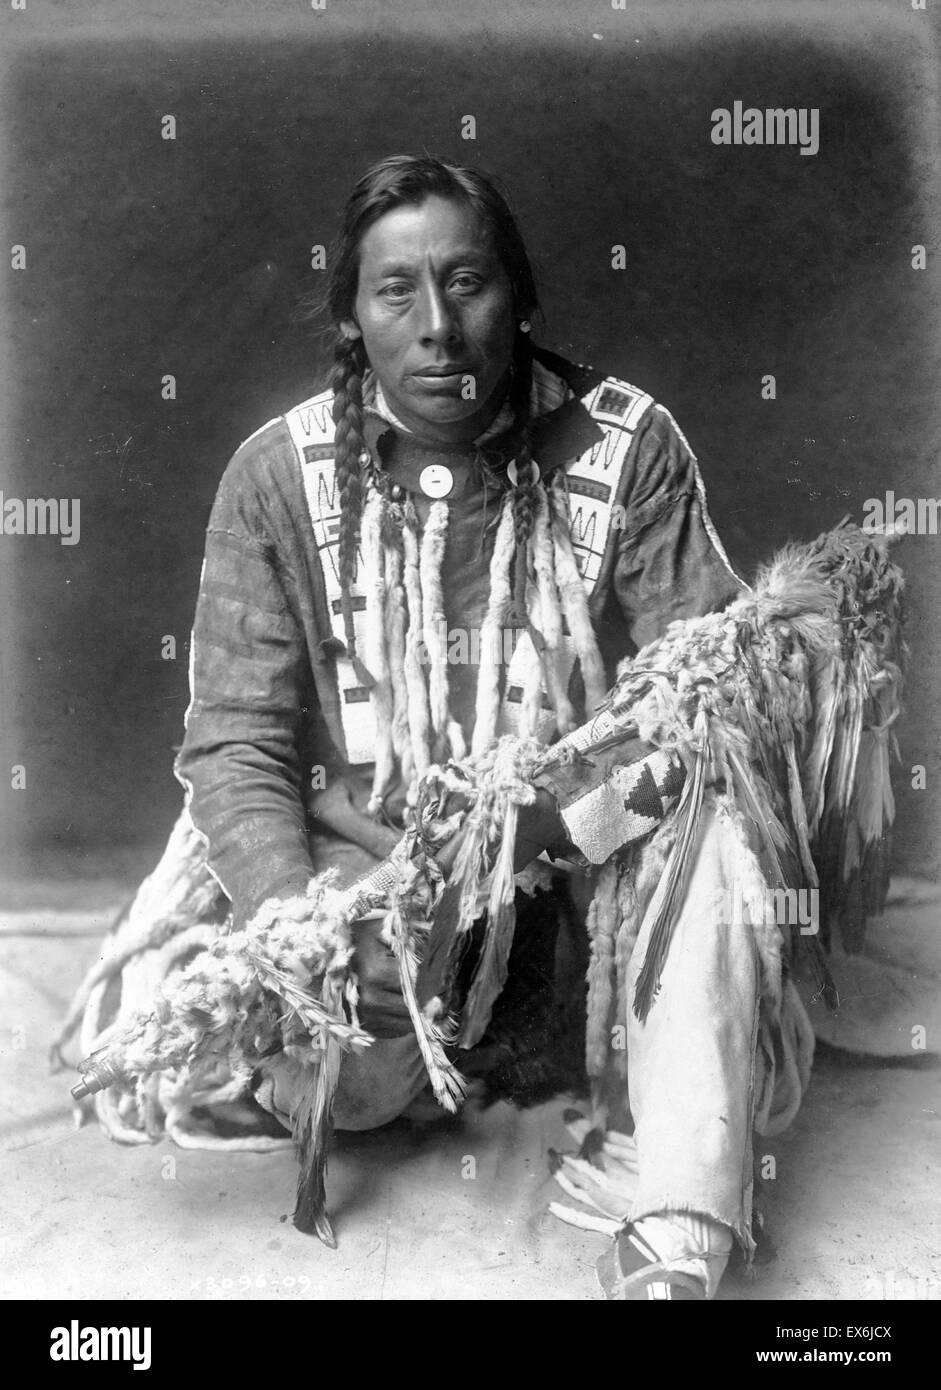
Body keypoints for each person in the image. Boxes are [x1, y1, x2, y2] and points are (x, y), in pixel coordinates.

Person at [144, 154, 816, 1298]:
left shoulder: (623, 447)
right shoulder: (277, 477)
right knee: (346, 1086)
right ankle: (379, 1040)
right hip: (365, 883)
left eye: (468, 282)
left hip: (584, 884)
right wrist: (298, 922)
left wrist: (538, 834)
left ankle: (681, 1231)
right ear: (353, 320)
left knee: (718, 839)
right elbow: (238, 744)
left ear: (520, 295)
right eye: (395, 291)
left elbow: (709, 711)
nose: (438, 329)